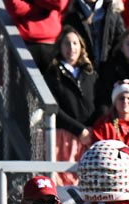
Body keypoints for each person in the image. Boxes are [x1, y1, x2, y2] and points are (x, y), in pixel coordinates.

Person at [45, 27, 100, 174]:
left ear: (81, 46)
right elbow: (55, 109)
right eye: (67, 43)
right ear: (60, 47)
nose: (71, 47)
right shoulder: (53, 74)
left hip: (91, 136)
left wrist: (92, 128)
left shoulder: (90, 72)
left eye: (75, 43)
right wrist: (79, 130)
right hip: (66, 137)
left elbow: (99, 101)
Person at [90, 79, 129, 149]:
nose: (125, 101)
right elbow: (99, 149)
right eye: (121, 98)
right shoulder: (103, 124)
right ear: (115, 102)